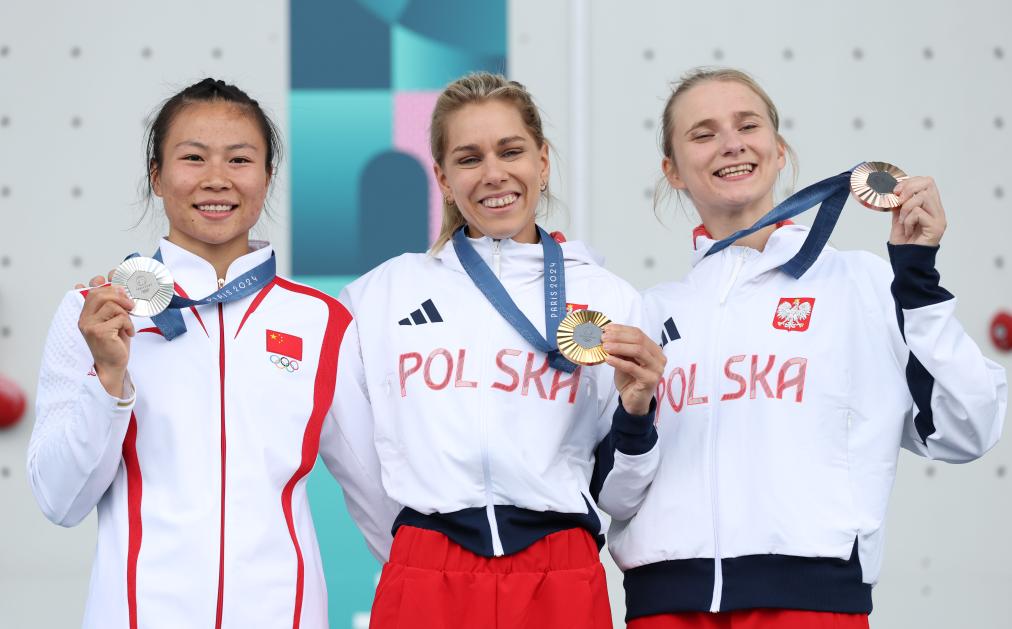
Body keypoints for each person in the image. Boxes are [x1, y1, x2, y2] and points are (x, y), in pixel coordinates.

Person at [606, 67, 1009, 629]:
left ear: (779, 151)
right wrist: (634, 416)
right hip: (666, 607)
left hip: (810, 602)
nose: (731, 143)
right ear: (672, 170)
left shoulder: (860, 284)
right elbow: (617, 498)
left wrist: (917, 278)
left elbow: (970, 426)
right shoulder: (650, 313)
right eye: (703, 133)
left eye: (748, 125)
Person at [27, 78, 398, 629]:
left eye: (240, 159)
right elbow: (60, 500)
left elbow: (380, 502)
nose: (217, 178)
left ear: (267, 177)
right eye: (193, 157)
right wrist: (107, 379)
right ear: (156, 176)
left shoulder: (322, 323)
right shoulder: (95, 313)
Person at [337, 72, 666, 629]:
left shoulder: (608, 298)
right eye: (469, 158)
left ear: (542, 161)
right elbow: (355, 458)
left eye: (511, 151)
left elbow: (622, 496)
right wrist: (413, 548)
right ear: (443, 178)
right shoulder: (379, 296)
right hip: (425, 569)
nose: (493, 173)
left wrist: (637, 413)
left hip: (560, 572)